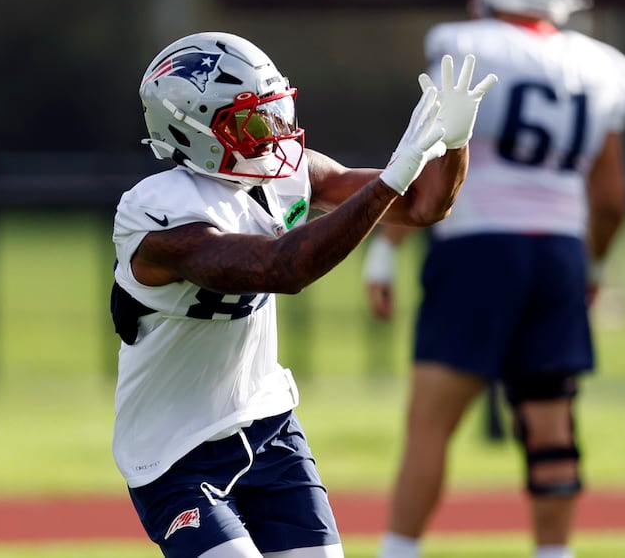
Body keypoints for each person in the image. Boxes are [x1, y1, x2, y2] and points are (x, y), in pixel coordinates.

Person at [109, 30, 496, 558]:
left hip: (268, 426)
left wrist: (454, 144)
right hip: (174, 451)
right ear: (192, 128)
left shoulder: (288, 172)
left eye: (276, 113)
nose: (273, 137)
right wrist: (392, 179)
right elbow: (281, 268)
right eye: (251, 121)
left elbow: (425, 206)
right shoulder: (158, 215)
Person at [365, 0, 625, 558]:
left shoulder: (463, 44)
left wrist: (383, 251)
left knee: (432, 421)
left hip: (477, 246)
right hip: (560, 253)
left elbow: (425, 157)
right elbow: (612, 197)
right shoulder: (607, 69)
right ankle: (553, 553)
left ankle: (399, 551)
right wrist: (592, 266)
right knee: (551, 423)